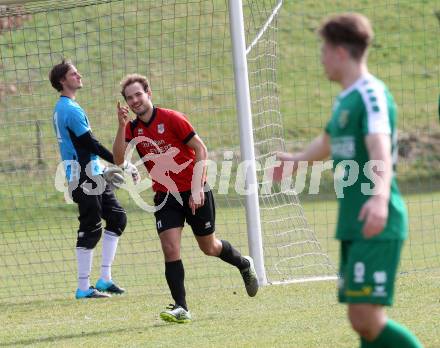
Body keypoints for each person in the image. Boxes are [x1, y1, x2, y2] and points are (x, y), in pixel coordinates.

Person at [273, 13, 422, 348]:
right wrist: (297, 161)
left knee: (366, 318)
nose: (321, 58)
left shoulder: (371, 94)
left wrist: (380, 197)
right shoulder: (346, 99)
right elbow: (327, 143)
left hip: (377, 219)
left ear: (340, 52)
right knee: (362, 322)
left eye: (324, 50)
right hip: (354, 222)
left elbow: (380, 147)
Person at [113, 73, 259, 323]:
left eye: (138, 94)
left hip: (194, 189)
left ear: (149, 93)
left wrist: (196, 187)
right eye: (130, 97)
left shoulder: (172, 118)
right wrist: (120, 125)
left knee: (209, 247)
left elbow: (201, 149)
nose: (135, 100)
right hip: (165, 195)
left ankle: (244, 263)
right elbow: (118, 160)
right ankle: (181, 307)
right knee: (170, 248)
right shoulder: (132, 128)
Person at [50, 59, 139, 299]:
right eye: (73, 73)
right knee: (90, 228)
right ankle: (83, 288)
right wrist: (121, 163)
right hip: (83, 177)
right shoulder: (69, 109)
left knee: (117, 218)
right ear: (62, 80)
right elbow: (90, 144)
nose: (78, 75)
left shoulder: (64, 108)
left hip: (93, 174)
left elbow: (85, 147)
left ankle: (105, 279)